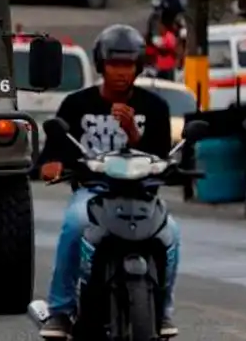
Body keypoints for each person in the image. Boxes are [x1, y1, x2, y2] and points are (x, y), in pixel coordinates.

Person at [37, 25, 179, 339]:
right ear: (102, 65)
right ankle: (60, 311)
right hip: (94, 192)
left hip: (143, 194)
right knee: (74, 224)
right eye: (115, 64)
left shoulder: (155, 107)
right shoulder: (76, 105)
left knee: (173, 233)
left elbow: (161, 156)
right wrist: (51, 165)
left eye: (128, 65)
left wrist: (132, 133)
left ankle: (164, 310)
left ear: (138, 67)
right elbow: (54, 150)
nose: (121, 72)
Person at [152, 13, 179, 81]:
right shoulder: (161, 38)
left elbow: (171, 49)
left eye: (160, 27)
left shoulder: (169, 36)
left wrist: (160, 47)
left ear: (164, 27)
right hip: (160, 67)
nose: (159, 29)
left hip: (168, 67)